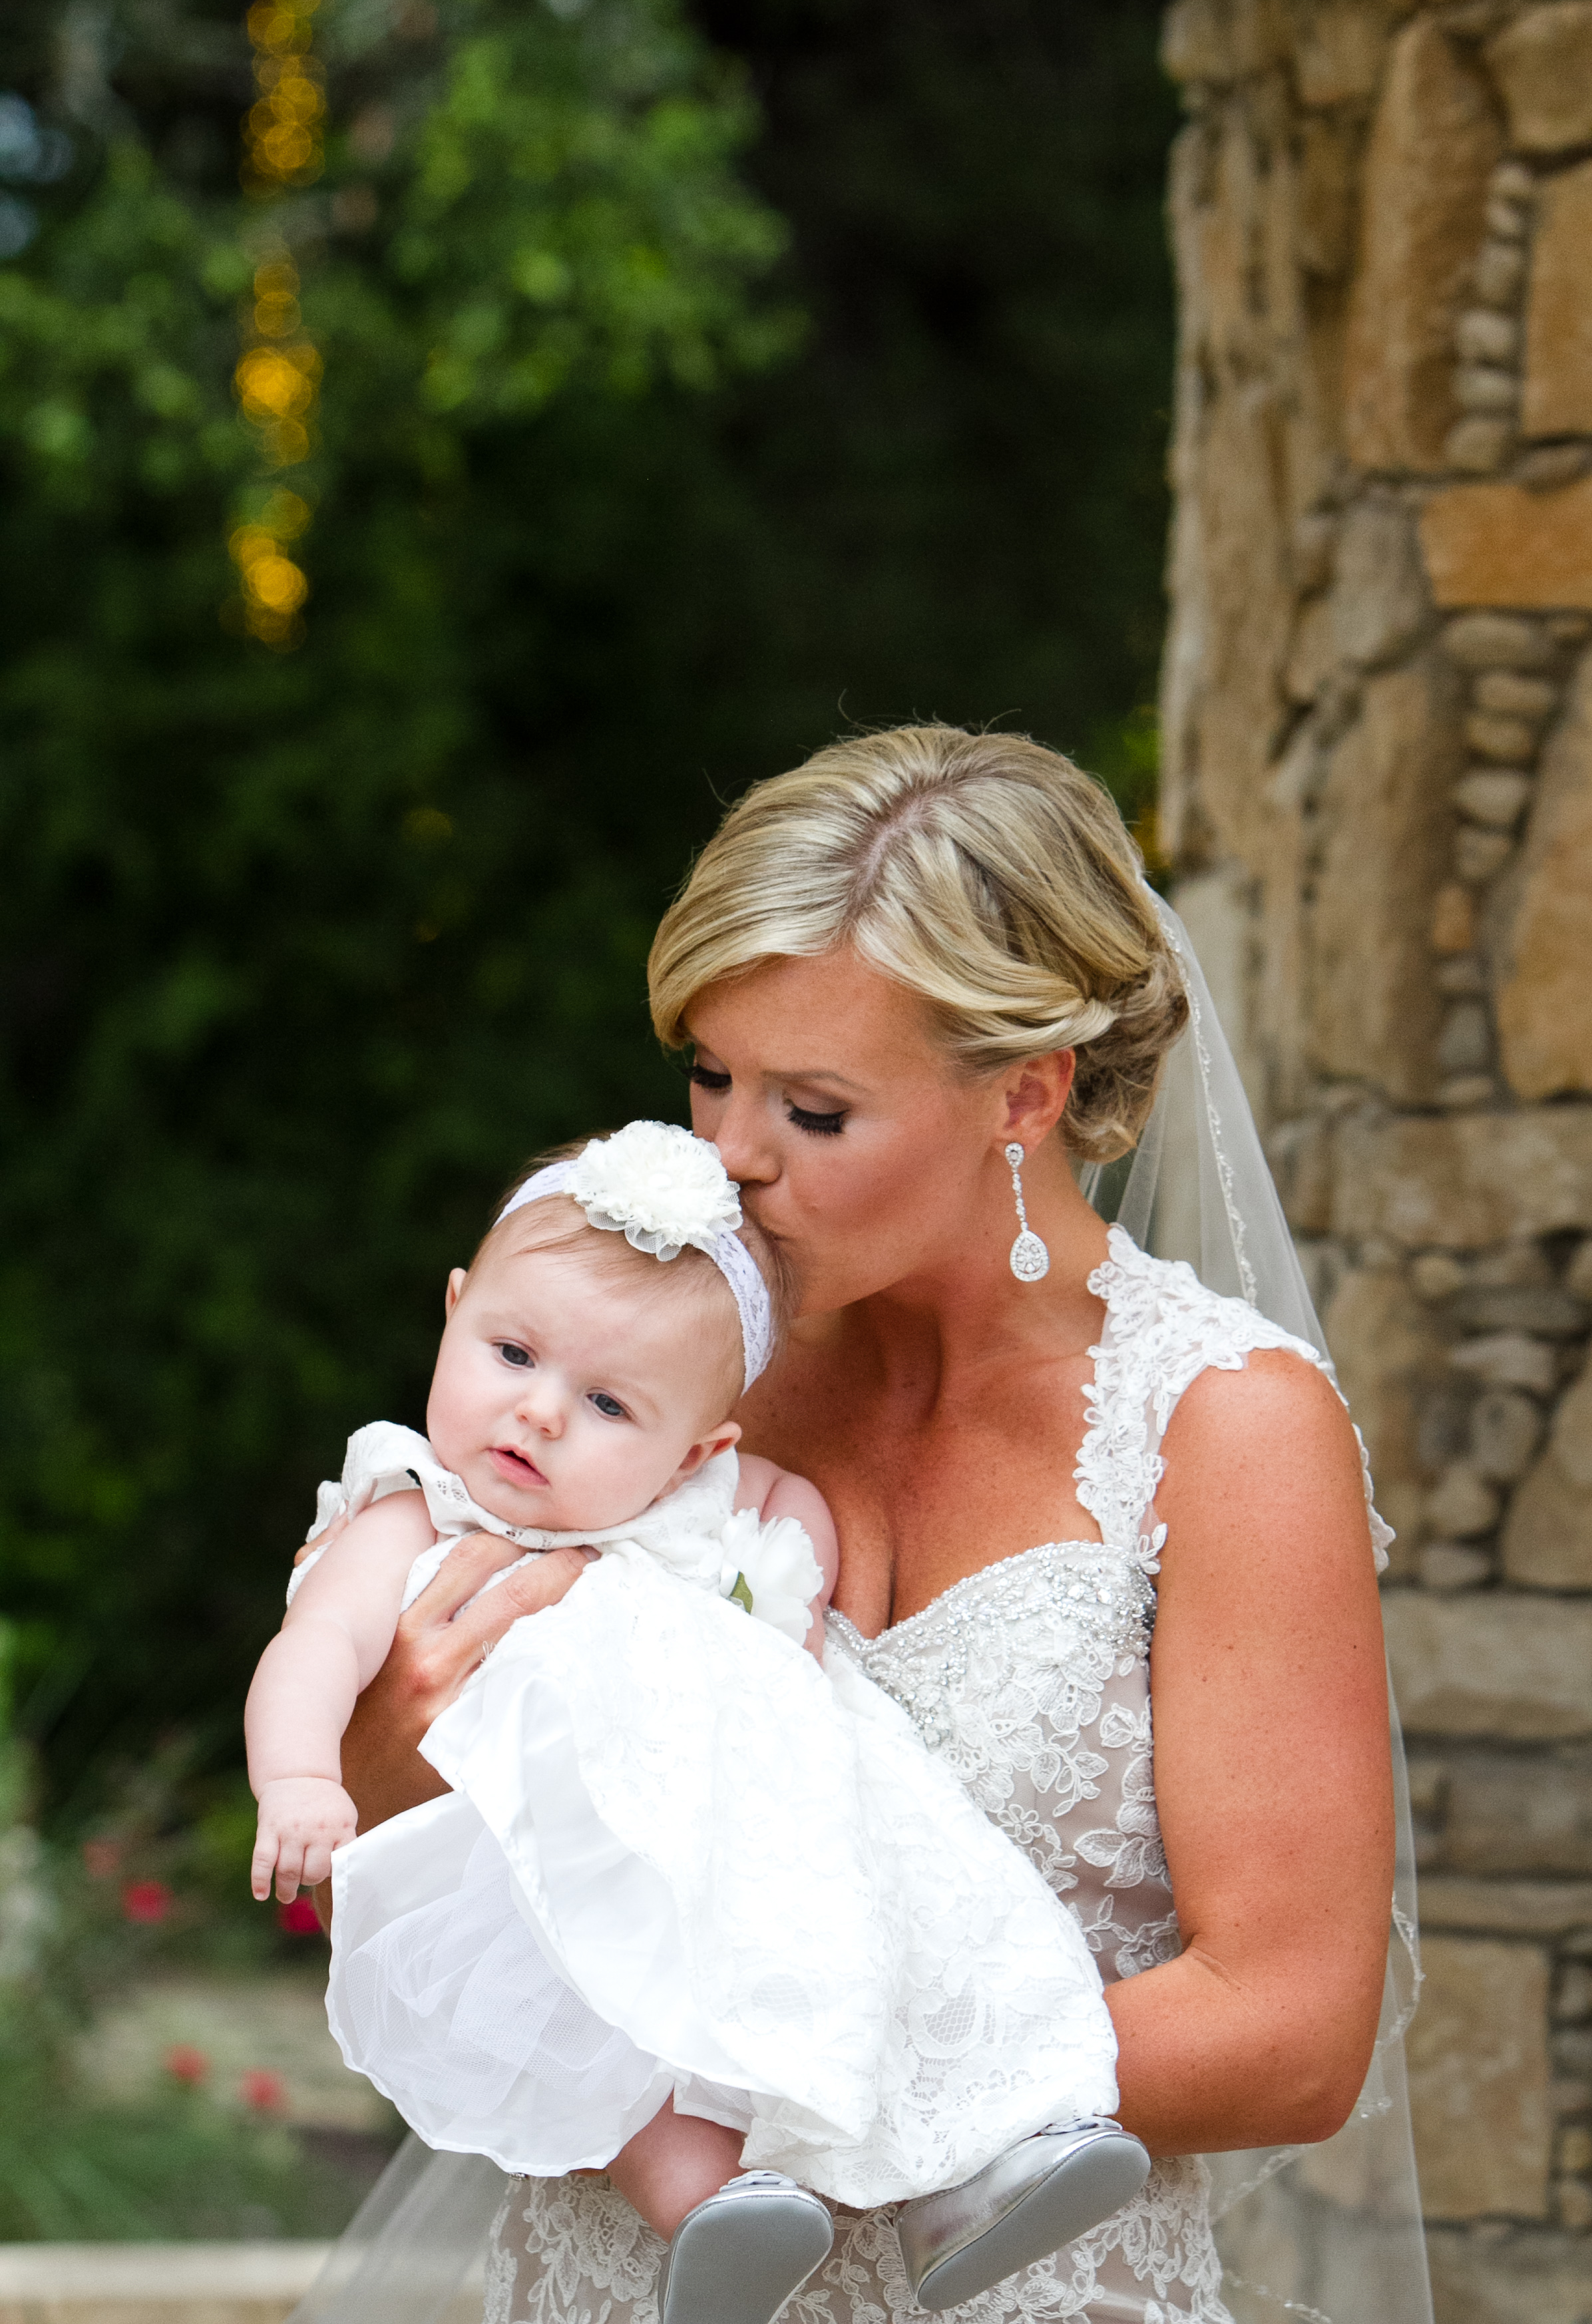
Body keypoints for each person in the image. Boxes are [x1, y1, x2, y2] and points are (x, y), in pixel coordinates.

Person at [307, 727, 1418, 2324]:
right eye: (710, 1075)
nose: (729, 1158)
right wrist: (385, 1744)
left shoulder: (1222, 1427)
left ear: (1024, 1092)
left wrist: (785, 2091)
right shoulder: (653, 1383)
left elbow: (1293, 2037)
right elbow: (418, 1855)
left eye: (814, 1111)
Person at [252, 1116, 1151, 2324]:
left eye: (608, 1403)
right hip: (550, 1869)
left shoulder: (682, 1511)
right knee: (617, 2037)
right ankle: (718, 2216)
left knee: (927, 1903)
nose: (540, 1414)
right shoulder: (416, 1511)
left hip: (736, 1840)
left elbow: (788, 1524)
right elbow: (315, 1647)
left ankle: (1005, 2152)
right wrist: (299, 1777)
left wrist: (786, 1603)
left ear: (693, 1455)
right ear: (455, 1308)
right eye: (511, 1353)